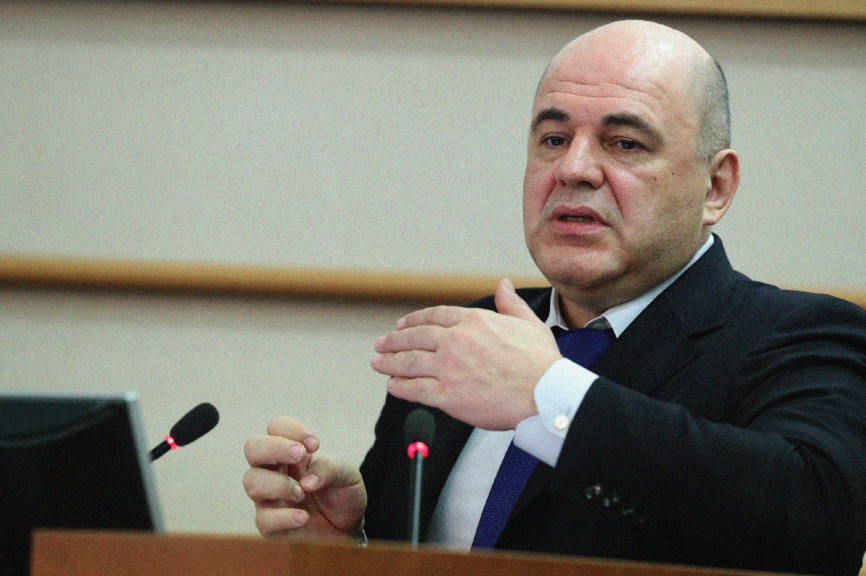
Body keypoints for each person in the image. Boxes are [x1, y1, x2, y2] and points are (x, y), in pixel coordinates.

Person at [243, 20, 866, 576]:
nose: (574, 169)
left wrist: (551, 396)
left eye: (624, 143)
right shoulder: (473, 336)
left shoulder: (802, 336)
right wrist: (346, 548)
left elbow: (818, 527)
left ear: (715, 187)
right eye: (553, 138)